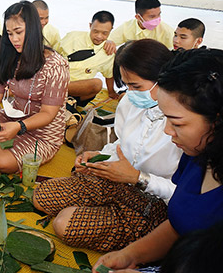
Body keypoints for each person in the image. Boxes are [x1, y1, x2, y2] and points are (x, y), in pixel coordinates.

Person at [34, 39, 181, 253]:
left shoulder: (182, 123)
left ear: (163, 79)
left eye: (136, 86)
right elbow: (121, 144)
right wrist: (98, 158)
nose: (130, 92)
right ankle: (104, 209)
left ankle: (142, 238)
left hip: (153, 203)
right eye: (127, 85)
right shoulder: (130, 101)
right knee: (42, 197)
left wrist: (138, 178)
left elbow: (186, 196)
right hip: (117, 181)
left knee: (64, 225)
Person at [94, 48, 223, 272]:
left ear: (218, 121)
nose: (167, 131)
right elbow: (180, 226)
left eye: (177, 123)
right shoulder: (199, 156)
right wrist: (129, 254)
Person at [0, 1, 69, 173]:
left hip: (42, 133)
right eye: (9, 33)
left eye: (19, 32)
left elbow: (48, 114)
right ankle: (0, 143)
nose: (14, 39)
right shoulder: (9, 56)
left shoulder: (55, 65)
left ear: (33, 29)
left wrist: (18, 128)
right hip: (11, 118)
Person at [57, 10, 119, 105]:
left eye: (104, 33)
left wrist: (111, 91)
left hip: (78, 90)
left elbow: (109, 74)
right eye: (95, 31)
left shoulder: (109, 51)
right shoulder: (73, 37)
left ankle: (64, 99)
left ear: (111, 30)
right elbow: (53, 55)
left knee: (97, 84)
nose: (99, 36)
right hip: (57, 81)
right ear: (90, 26)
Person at [108, 0, 174, 50]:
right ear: (138, 17)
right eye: (152, 16)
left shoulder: (166, 31)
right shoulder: (127, 27)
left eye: (159, 14)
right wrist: (109, 43)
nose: (157, 19)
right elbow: (109, 41)